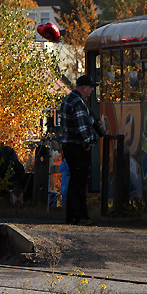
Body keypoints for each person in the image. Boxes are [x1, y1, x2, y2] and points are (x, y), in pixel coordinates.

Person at [59, 74, 105, 225]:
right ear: (84, 87)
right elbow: (81, 127)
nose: (91, 91)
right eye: (91, 88)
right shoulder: (78, 102)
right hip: (77, 147)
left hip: (68, 145)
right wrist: (87, 143)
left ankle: (80, 216)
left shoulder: (68, 99)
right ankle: (76, 217)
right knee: (78, 183)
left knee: (76, 181)